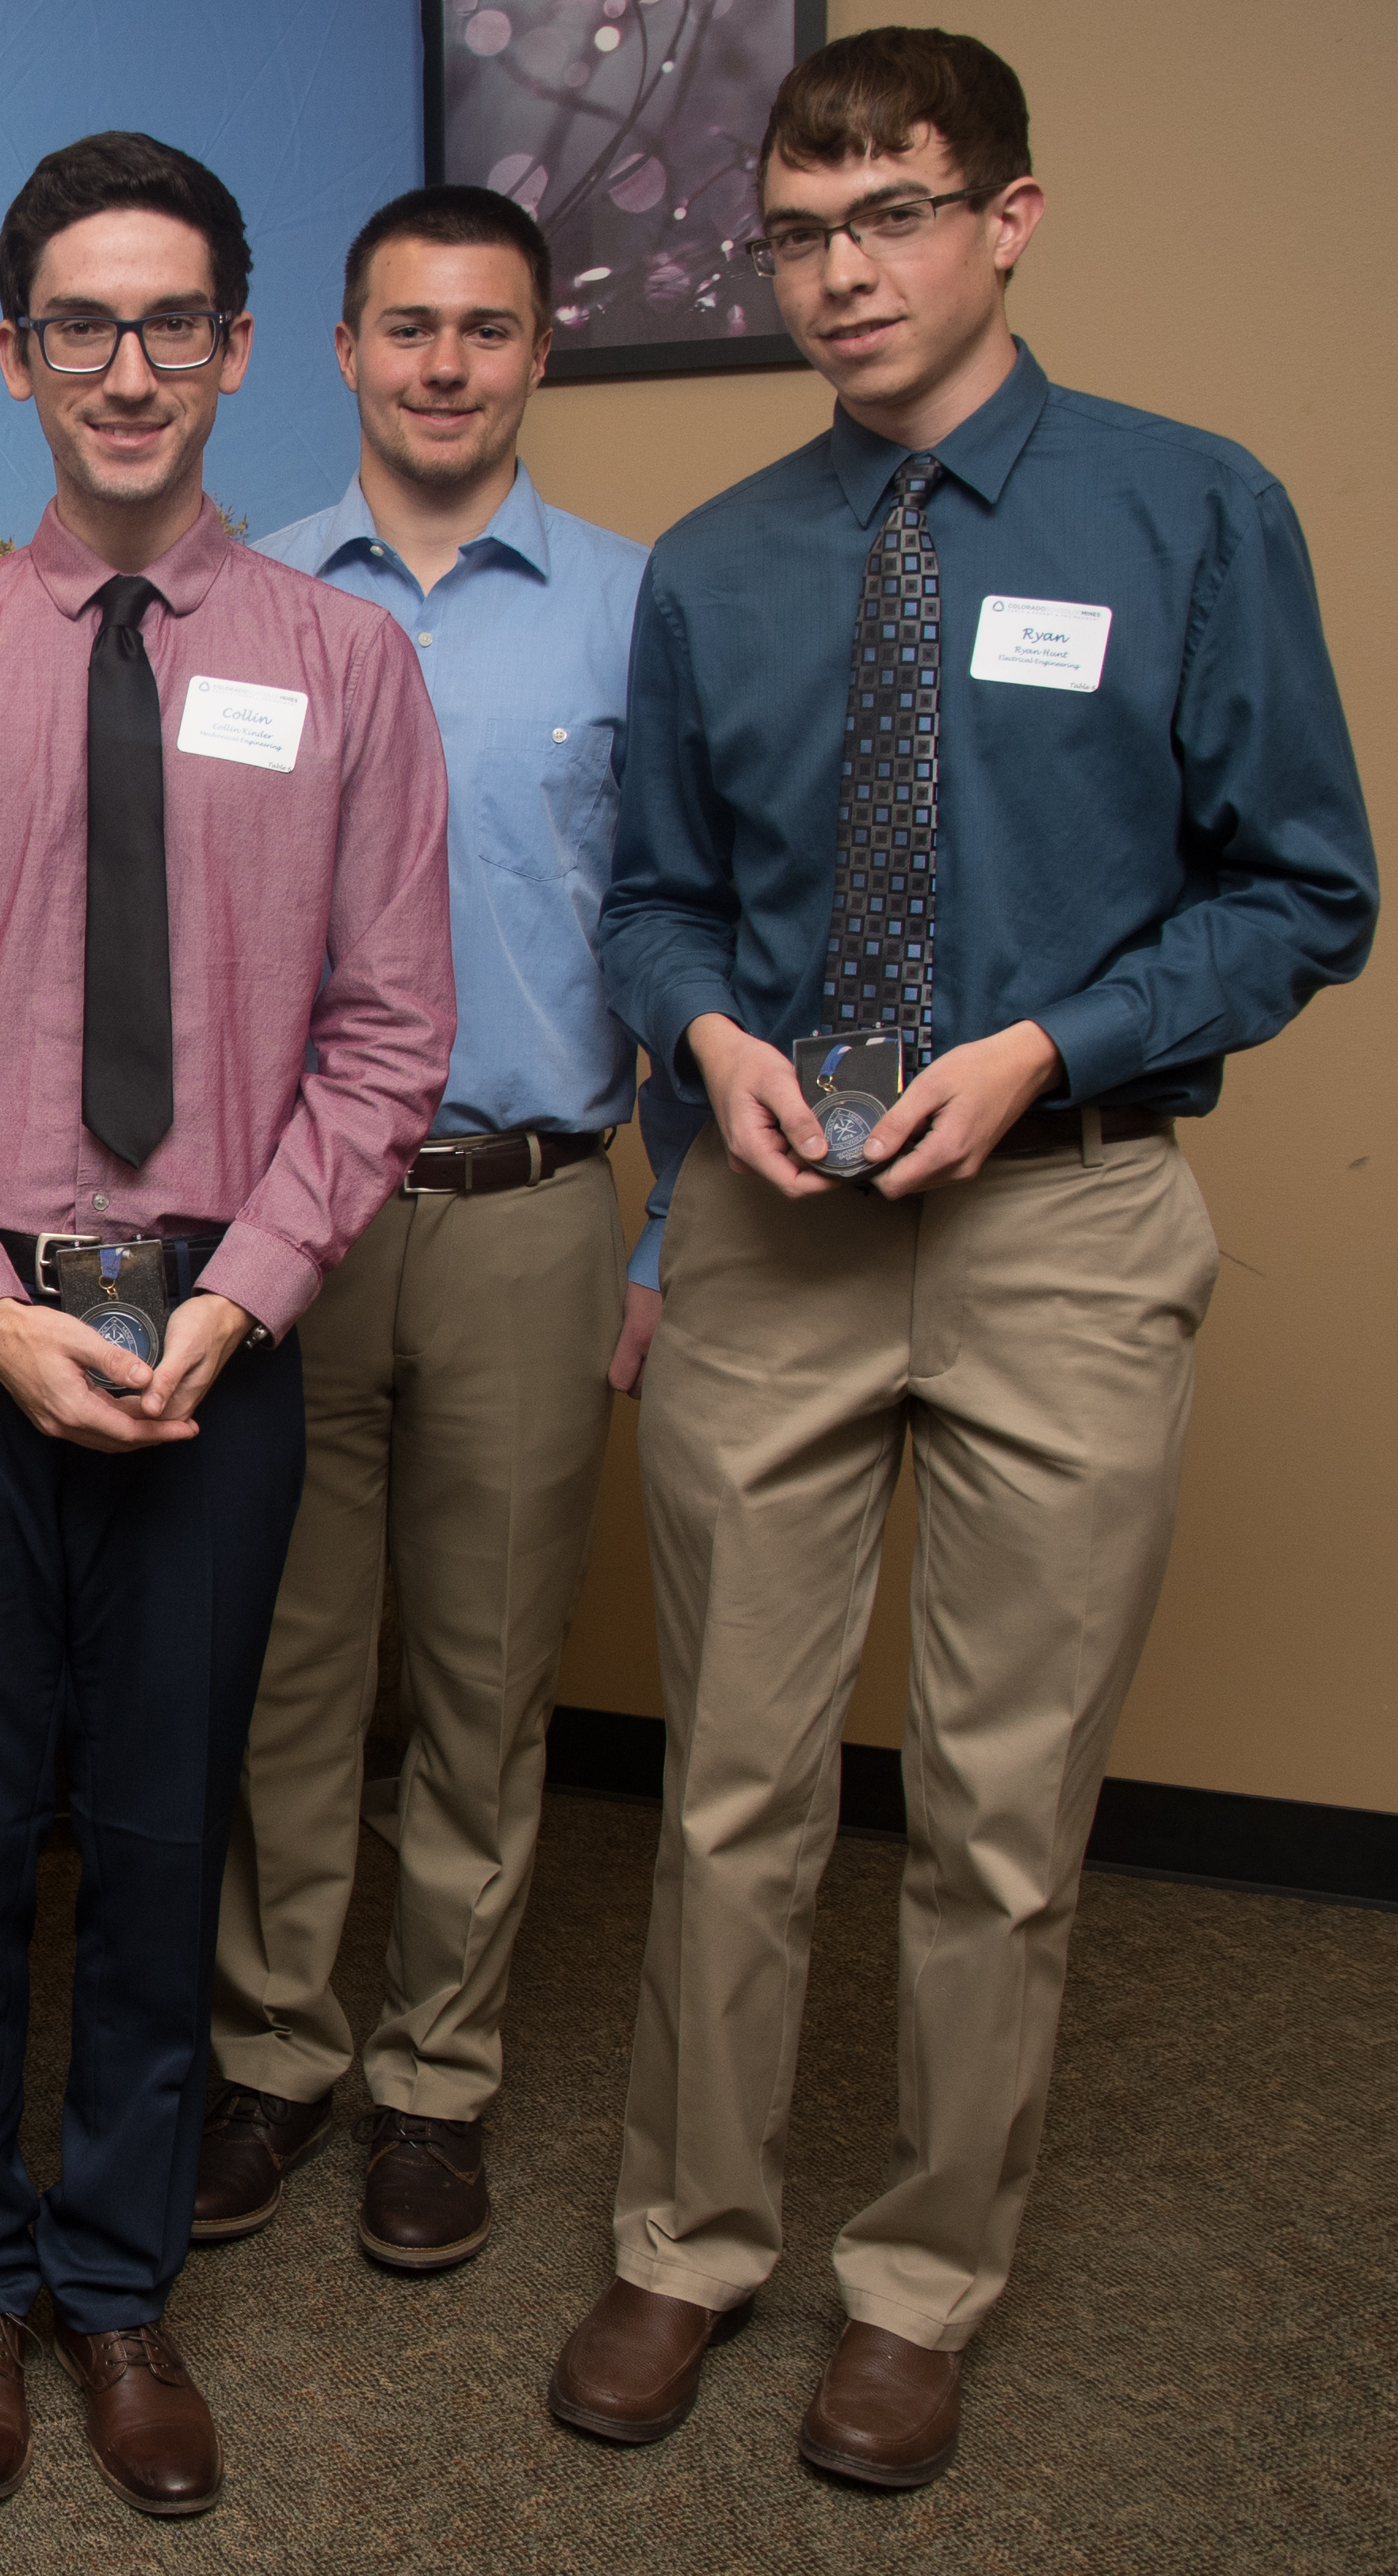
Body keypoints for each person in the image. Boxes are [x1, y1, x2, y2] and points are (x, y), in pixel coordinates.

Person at [565, 29, 1374, 2490]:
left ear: (1002, 220)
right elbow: (653, 901)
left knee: (1002, 1809)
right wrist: (697, 1028)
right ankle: (684, 2237)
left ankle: (912, 2284)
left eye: (887, 217)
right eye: (796, 234)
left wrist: (1043, 1043)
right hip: (776, 1224)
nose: (836, 276)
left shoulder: (1186, 513)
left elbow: (1301, 890)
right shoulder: (712, 564)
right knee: (721, 1790)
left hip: (1064, 1212)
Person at [0, 133, 453, 2517]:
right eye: (76, 324)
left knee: (169, 1824)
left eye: (169, 320)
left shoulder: (337, 664)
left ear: (235, 349)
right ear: (9, 359)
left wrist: (244, 1298)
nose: (124, 366)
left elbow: (385, 1034)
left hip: (218, 1337)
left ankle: (115, 2276)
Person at [204, 185, 697, 2272]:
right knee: (279, 1666)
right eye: (401, 325)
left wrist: (665, 1243)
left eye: (480, 330)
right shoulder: (232, 603)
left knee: (487, 1677)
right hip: (282, 1221)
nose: (439, 364)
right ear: (335, 350)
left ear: (535, 353)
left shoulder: (632, 611)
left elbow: (695, 930)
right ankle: (269, 2046)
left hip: (522, 1210)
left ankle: (433, 2075)